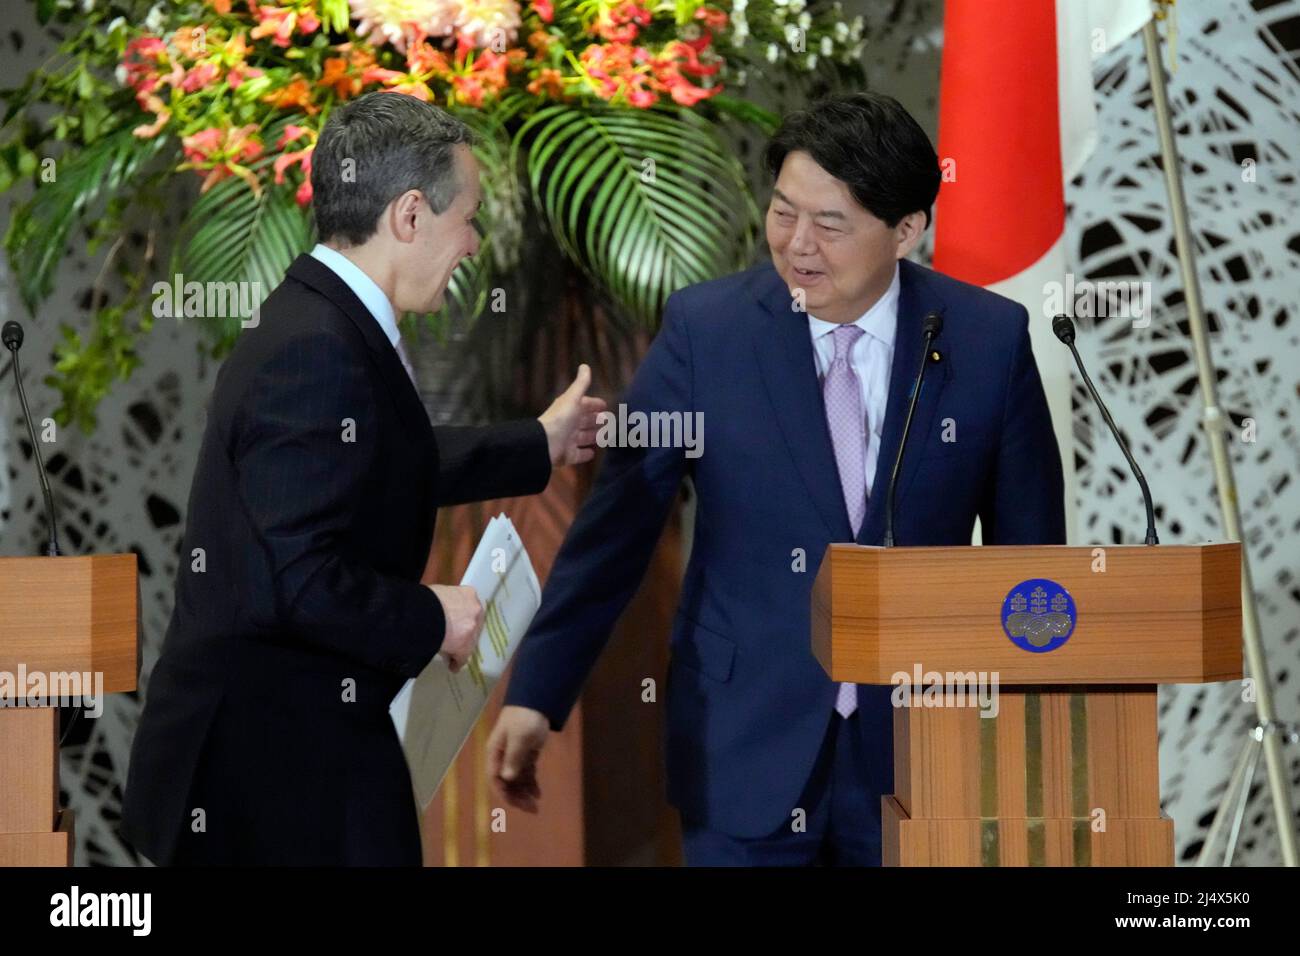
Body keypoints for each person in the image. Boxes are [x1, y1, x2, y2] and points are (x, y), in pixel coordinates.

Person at [487, 91, 1065, 866]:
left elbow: (1031, 559)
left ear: (906, 230)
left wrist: (1029, 747)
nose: (797, 244)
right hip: (743, 747)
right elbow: (614, 535)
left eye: (830, 223)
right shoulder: (707, 331)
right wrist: (536, 692)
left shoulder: (988, 340)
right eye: (783, 212)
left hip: (930, 758)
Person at [122, 91, 605, 866]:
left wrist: (535, 444)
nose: (475, 243)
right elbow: (300, 578)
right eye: (468, 219)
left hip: (298, 755)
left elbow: (376, 458)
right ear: (410, 216)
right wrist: (429, 617)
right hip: (263, 780)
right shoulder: (316, 348)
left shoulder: (320, 319)